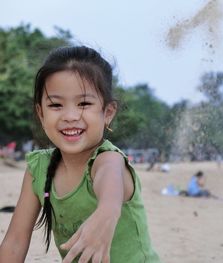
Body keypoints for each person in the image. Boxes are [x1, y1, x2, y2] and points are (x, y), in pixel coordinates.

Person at [0, 46, 160, 262]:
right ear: (40, 112)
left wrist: (107, 214)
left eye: (84, 103)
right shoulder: (38, 168)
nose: (70, 116)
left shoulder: (108, 159)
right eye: (56, 105)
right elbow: (15, 242)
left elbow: (110, 190)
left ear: (108, 113)